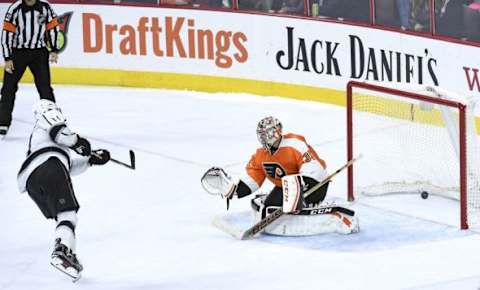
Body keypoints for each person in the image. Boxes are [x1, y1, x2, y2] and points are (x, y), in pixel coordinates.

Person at [201, 116, 358, 236]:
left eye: (266, 133)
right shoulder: (260, 155)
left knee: (285, 201)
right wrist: (233, 190)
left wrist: (300, 184)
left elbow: (316, 168)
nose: (263, 138)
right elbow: (253, 180)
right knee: (269, 209)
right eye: (261, 134)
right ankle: (292, 200)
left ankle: (336, 217)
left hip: (315, 185)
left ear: (276, 132)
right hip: (288, 188)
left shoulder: (294, 143)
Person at [17, 99, 110, 280]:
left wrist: (91, 159)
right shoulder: (47, 116)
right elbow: (60, 133)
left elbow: (66, 167)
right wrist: (78, 142)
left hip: (32, 182)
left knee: (65, 216)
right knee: (68, 214)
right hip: (49, 167)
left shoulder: (39, 140)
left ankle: (67, 252)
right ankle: (61, 251)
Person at [0, 0, 60, 138]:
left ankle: (55, 122)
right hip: (17, 53)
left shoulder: (45, 7)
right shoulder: (15, 9)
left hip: (39, 53)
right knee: (8, 87)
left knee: (45, 88)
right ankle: (3, 122)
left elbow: (53, 27)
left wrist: (54, 49)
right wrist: (8, 58)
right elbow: (6, 33)